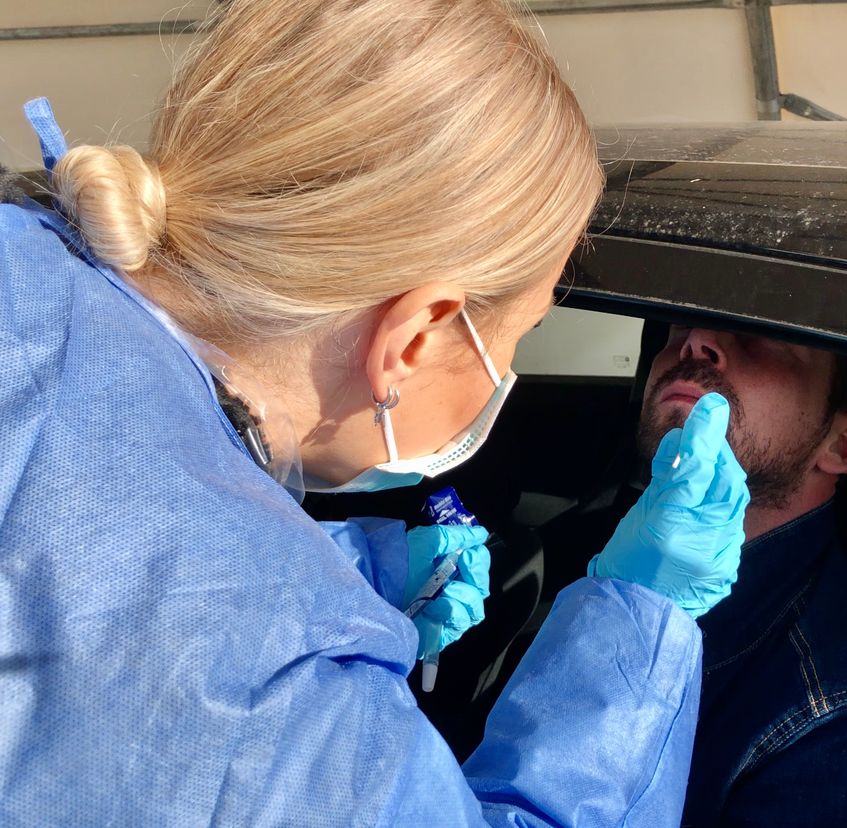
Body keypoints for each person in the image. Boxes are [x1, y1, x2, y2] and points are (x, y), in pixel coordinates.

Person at [0, 2, 748, 824]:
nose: (508, 373)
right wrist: (643, 621)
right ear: (416, 336)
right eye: (521, 334)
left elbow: (90, 542)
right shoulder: (288, 703)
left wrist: (348, 571)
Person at [542, 324, 847, 826]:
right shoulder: (620, 535)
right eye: (679, 325)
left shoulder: (834, 715)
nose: (695, 340)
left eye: (766, 334)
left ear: (843, 445)